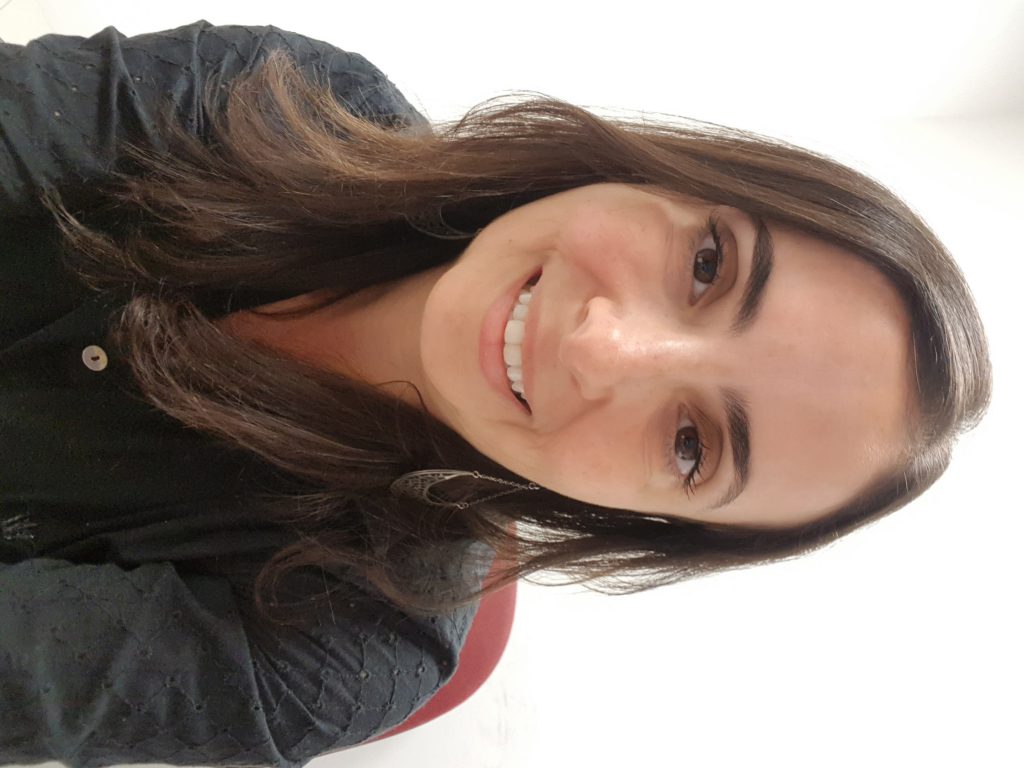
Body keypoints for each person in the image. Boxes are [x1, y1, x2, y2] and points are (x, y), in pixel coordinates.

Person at [0, 18, 991, 768]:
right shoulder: (291, 101)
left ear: (646, 519)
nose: (601, 348)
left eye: (692, 444)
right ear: (669, 177)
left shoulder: (344, 649)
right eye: (706, 264)